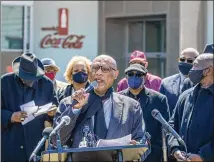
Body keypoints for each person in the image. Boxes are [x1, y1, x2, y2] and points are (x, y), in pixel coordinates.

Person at [53, 55, 147, 161]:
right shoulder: (70, 103)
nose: (98, 73)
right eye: (95, 68)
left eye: (105, 69)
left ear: (115, 74)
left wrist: (134, 148)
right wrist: (75, 110)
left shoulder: (131, 107)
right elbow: (56, 141)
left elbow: (141, 144)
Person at [1, 52, 58, 161]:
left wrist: (52, 113)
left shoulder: (47, 84)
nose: (27, 80)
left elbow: (56, 111)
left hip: (35, 145)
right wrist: (11, 116)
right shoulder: (4, 82)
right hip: (10, 145)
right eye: (24, 77)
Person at [119, 63, 170, 162]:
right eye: (130, 74)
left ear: (145, 78)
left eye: (138, 75)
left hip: (151, 155)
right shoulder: (118, 98)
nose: (134, 77)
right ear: (126, 77)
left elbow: (164, 130)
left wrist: (154, 152)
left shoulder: (159, 99)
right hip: (123, 155)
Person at [168, 53, 214, 162]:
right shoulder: (185, 95)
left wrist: (202, 156)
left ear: (208, 70)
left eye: (195, 65)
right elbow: (171, 126)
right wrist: (175, 149)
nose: (191, 70)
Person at [159, 48, 199, 114]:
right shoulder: (166, 83)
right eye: (182, 59)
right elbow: (160, 108)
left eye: (189, 61)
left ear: (196, 62)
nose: (185, 62)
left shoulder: (202, 83)